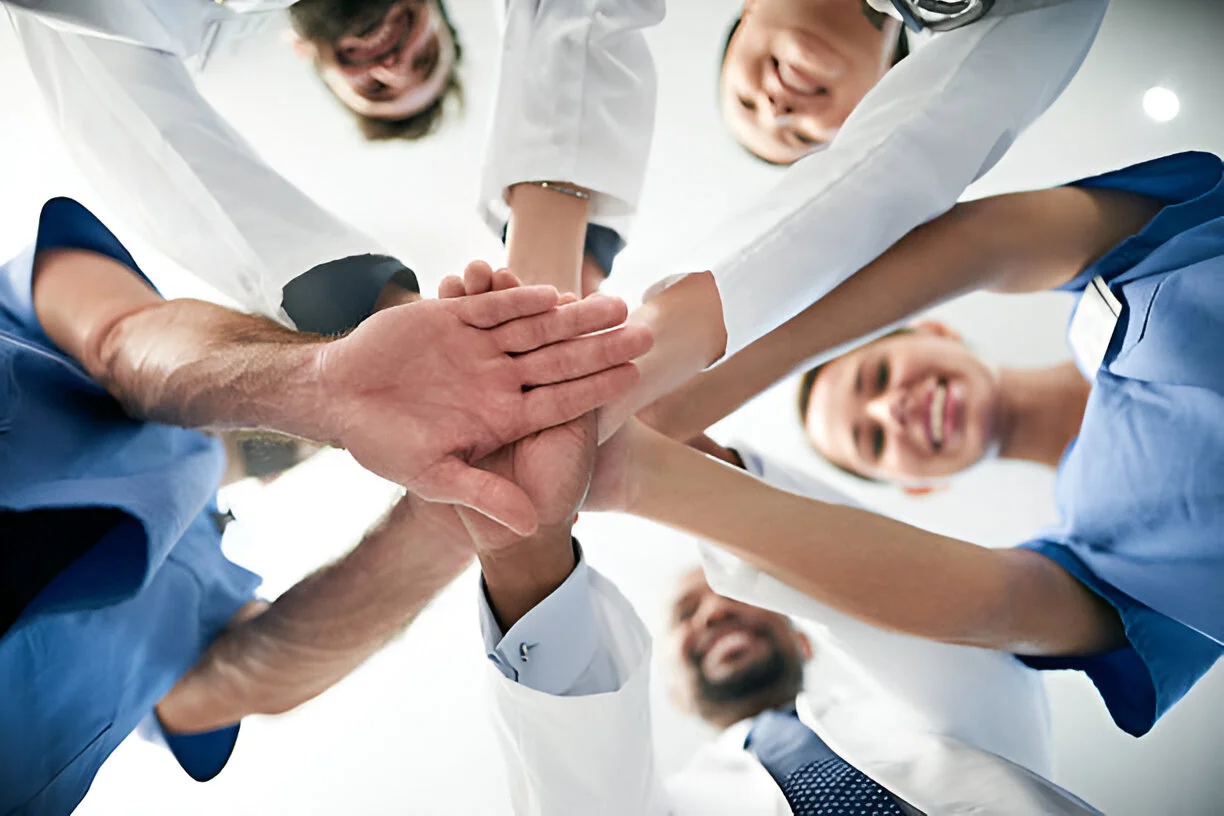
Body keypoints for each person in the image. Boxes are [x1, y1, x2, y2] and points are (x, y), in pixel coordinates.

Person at [0, 194, 651, 814]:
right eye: (288, 439)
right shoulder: (47, 316)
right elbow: (125, 339)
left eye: (291, 446)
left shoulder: (204, 572)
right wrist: (314, 383)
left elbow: (244, 678)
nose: (289, 444)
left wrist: (462, 514)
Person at [424, 262, 1100, 815]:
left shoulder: (960, 720)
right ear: (675, 693)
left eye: (727, 598)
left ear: (806, 632)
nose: (716, 610)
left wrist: (676, 459)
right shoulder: (670, 803)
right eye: (689, 616)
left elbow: (936, 627)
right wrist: (522, 533)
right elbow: (578, 780)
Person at [618, 150, 1224, 738]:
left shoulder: (1136, 262)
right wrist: (649, 473)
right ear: (919, 482)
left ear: (936, 329)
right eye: (873, 440)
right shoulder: (1102, 563)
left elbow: (980, 242)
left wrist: (679, 400)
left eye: (877, 376)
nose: (893, 409)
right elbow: (992, 605)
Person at [596, 0, 1109, 440]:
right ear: (878, 99)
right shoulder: (1011, 35)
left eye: (747, 102)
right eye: (800, 138)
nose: (775, 110)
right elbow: (900, 162)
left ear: (749, 10)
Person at [3, 0, 661, 331]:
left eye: (376, 88)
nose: (394, 65)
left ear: (306, 52)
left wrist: (363, 308)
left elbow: (124, 119)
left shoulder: (170, 15)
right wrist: (569, 256)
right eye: (425, 59)